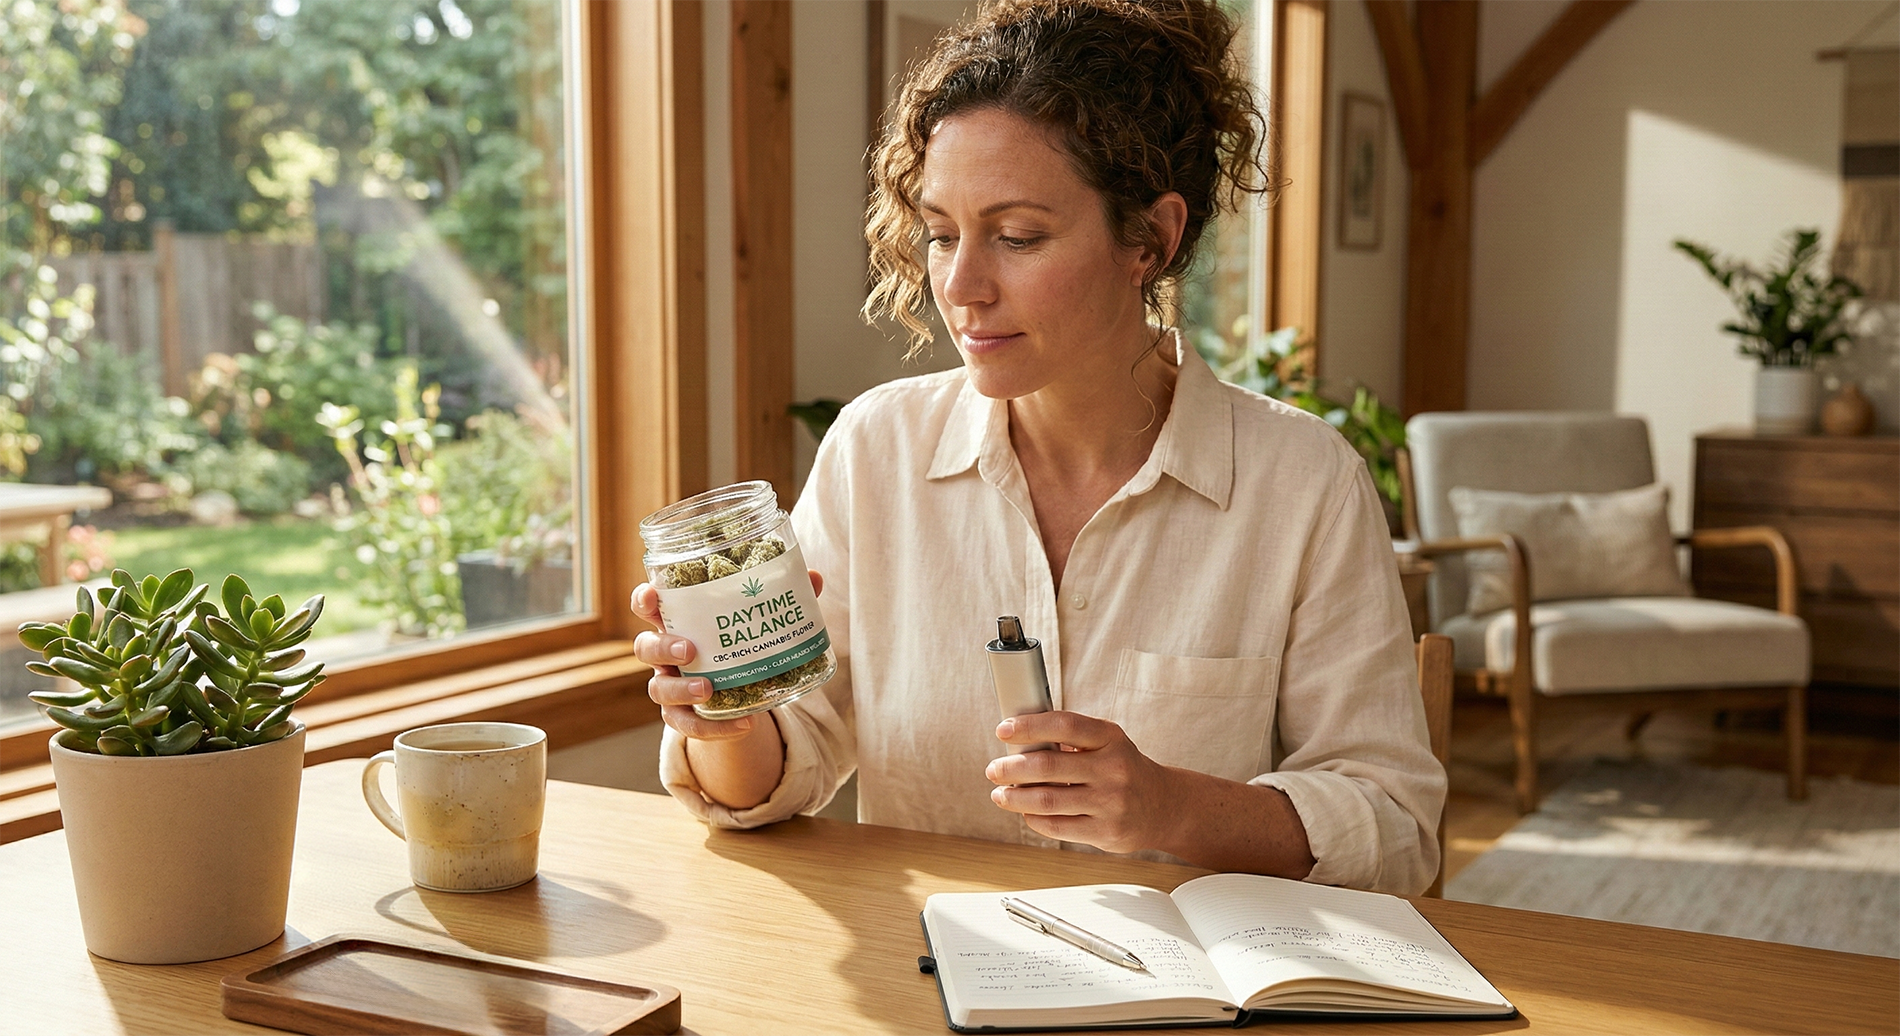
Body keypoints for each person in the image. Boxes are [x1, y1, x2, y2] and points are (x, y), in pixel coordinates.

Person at [633, 0, 1444, 894]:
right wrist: (726, 724)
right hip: (929, 987)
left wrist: (1173, 808)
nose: (962, 286)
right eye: (941, 235)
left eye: (1018, 236)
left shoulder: (1301, 482)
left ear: (1152, 238)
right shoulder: (877, 450)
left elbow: (1395, 828)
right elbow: (791, 765)